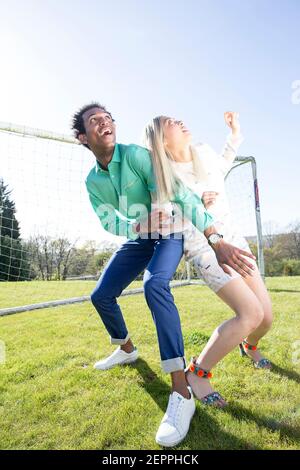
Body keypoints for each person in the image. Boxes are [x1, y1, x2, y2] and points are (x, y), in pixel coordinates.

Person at [71, 103, 255, 446]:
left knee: (155, 284)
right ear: (83, 137)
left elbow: (179, 193)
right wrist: (135, 225)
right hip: (141, 236)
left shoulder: (137, 156)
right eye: (94, 121)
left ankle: (181, 390)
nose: (104, 122)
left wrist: (214, 238)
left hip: (169, 232)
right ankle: (126, 349)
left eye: (108, 117)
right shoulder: (93, 180)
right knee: (100, 295)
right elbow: (106, 219)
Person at [142, 111, 273, 408]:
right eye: (171, 124)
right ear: (162, 140)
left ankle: (249, 344)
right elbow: (166, 220)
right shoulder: (164, 177)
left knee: (265, 318)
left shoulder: (202, 152)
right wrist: (196, 205)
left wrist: (234, 133)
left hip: (234, 241)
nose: (180, 122)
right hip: (205, 249)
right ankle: (198, 372)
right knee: (249, 314)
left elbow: (223, 165)